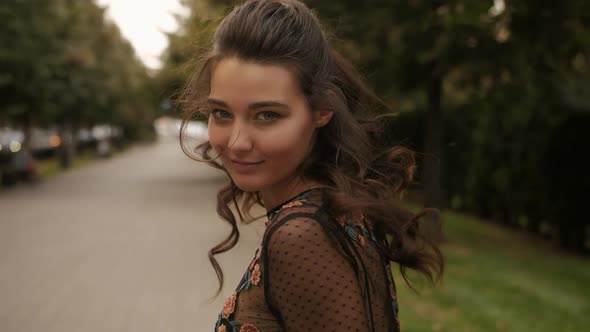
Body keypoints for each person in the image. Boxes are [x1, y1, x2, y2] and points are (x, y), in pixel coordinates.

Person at [179, 1, 444, 331]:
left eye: (268, 115)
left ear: (322, 110)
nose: (236, 143)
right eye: (221, 113)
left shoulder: (302, 235)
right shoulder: (327, 210)